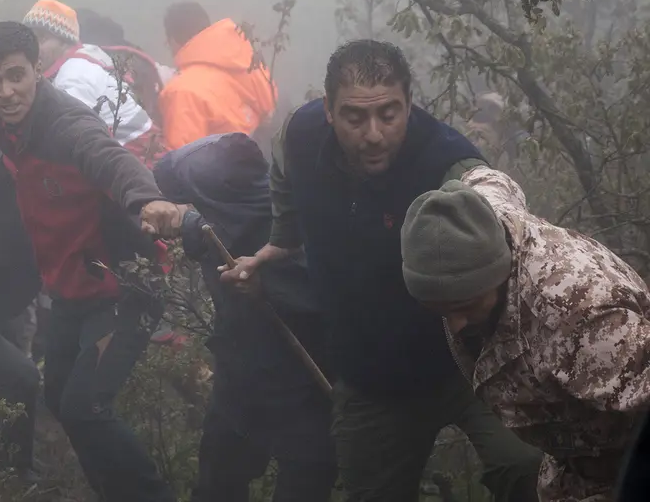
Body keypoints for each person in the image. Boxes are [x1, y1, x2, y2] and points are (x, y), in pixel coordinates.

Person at [223, 39, 541, 502]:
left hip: (473, 365)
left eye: (389, 115)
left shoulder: (448, 163)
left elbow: (500, 216)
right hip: (371, 378)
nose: (373, 133)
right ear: (328, 110)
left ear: (409, 104)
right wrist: (280, 242)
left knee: (530, 469)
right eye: (355, 117)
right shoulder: (300, 134)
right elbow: (284, 175)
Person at [0, 20, 183, 502]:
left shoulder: (65, 124)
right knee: (60, 399)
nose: (5, 91)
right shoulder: (3, 126)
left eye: (16, 75)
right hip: (72, 287)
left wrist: (146, 201)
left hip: (124, 286)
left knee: (87, 406)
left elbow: (110, 159)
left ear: (38, 70)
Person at [402, 167, 650, 501]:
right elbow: (487, 178)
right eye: (441, 309)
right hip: (572, 465)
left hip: (626, 467)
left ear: (498, 274)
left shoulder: (580, 320)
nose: (456, 324)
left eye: (467, 305)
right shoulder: (485, 214)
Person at [154, 133, 336, 502]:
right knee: (217, 484)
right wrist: (185, 219)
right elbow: (179, 192)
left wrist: (265, 287)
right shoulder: (220, 211)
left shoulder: (291, 228)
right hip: (240, 382)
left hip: (303, 389)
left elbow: (316, 297)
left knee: (303, 482)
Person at [20, 0, 160, 163]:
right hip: (133, 152)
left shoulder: (75, 73)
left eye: (42, 38)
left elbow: (65, 134)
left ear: (64, 41)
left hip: (139, 158)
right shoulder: (80, 61)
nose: (33, 47)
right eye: (30, 39)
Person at [159, 2, 277, 150]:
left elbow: (182, 163)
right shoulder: (246, 60)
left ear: (173, 40)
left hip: (230, 171)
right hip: (266, 161)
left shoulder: (181, 91)